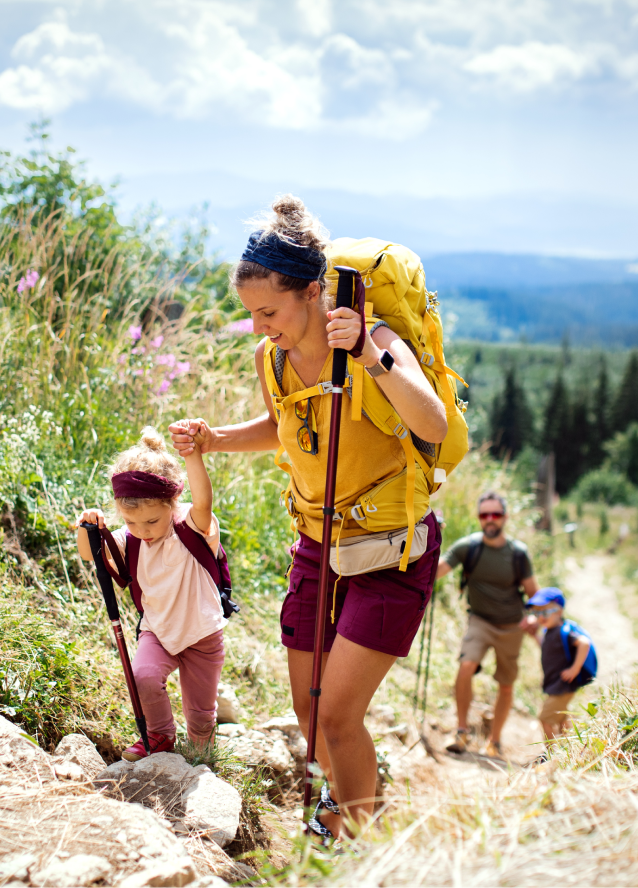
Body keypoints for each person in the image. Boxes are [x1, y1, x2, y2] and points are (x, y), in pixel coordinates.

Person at [169, 194, 447, 841]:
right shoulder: (273, 358)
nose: (261, 326)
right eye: (252, 315)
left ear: (314, 292)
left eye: (269, 311)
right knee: (309, 710)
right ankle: (348, 811)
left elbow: (430, 420)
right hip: (318, 544)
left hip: (389, 550)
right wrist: (215, 439)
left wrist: (374, 360)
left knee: (341, 716)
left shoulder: (374, 340)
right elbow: (283, 425)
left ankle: (359, 844)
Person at [76, 425, 225, 761]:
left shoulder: (191, 526)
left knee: (201, 714)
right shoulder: (131, 540)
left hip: (202, 633)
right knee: (143, 675)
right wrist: (86, 526)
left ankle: (203, 753)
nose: (142, 532)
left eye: (152, 522)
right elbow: (89, 553)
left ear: (173, 503)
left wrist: (193, 455)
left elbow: (203, 499)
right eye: (131, 523)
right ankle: (160, 736)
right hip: (157, 629)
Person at [435, 491, 539, 757]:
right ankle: (461, 732)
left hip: (512, 626)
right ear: (479, 518)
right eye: (485, 515)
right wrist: (431, 539)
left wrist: (534, 616)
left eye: (495, 514)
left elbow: (534, 595)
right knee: (465, 665)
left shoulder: (518, 553)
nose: (490, 520)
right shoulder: (467, 547)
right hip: (479, 621)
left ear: (505, 517)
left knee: (506, 684)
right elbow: (437, 570)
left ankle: (495, 741)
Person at [524, 587, 592, 746]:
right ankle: (570, 748)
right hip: (556, 683)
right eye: (537, 613)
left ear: (559, 611)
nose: (541, 617)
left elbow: (584, 643)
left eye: (545, 613)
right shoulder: (550, 631)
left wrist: (574, 669)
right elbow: (547, 648)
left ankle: (552, 753)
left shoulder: (564, 631)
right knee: (561, 717)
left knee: (545, 719)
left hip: (563, 684)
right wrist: (535, 636)